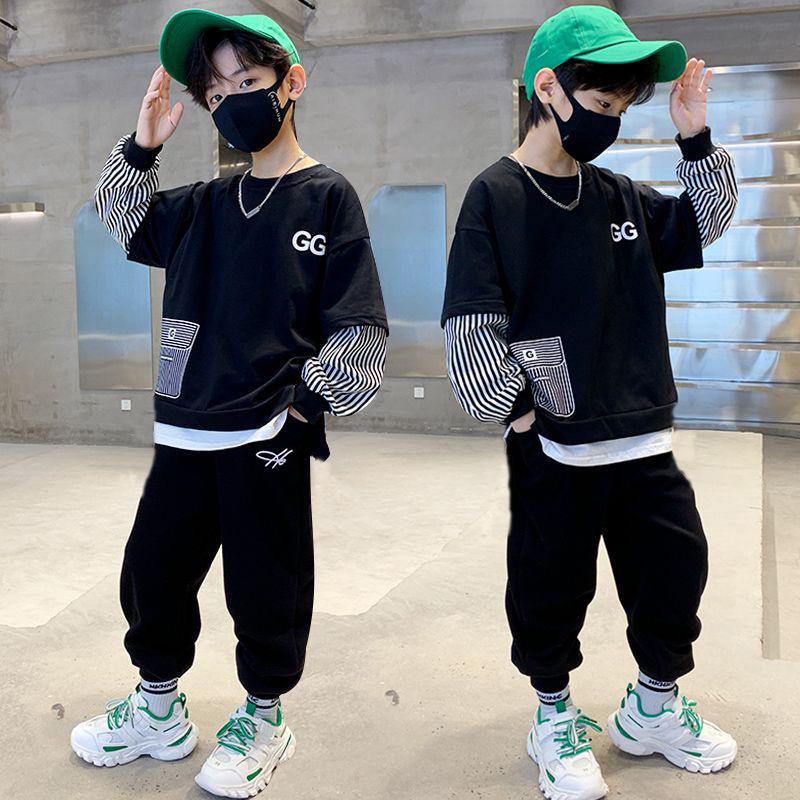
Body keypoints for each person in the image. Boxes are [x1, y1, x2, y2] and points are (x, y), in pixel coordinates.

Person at [70, 10, 388, 798]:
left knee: (266, 586)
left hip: (267, 432)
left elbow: (360, 326)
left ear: (291, 82)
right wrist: (142, 146)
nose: (232, 102)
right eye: (216, 95)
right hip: (186, 428)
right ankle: (158, 711)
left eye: (247, 82)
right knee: (153, 573)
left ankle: (264, 719)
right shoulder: (203, 205)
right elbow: (121, 218)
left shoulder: (327, 197)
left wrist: (303, 409)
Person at [441, 6, 738, 799]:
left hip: (642, 439)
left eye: (621, 109)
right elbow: (471, 323)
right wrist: (520, 409)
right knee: (549, 588)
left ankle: (653, 710)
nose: (610, 121)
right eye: (602, 104)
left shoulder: (621, 196)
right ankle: (553, 718)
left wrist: (694, 138)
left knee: (675, 572)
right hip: (554, 446)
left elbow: (706, 222)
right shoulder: (495, 196)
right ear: (548, 88)